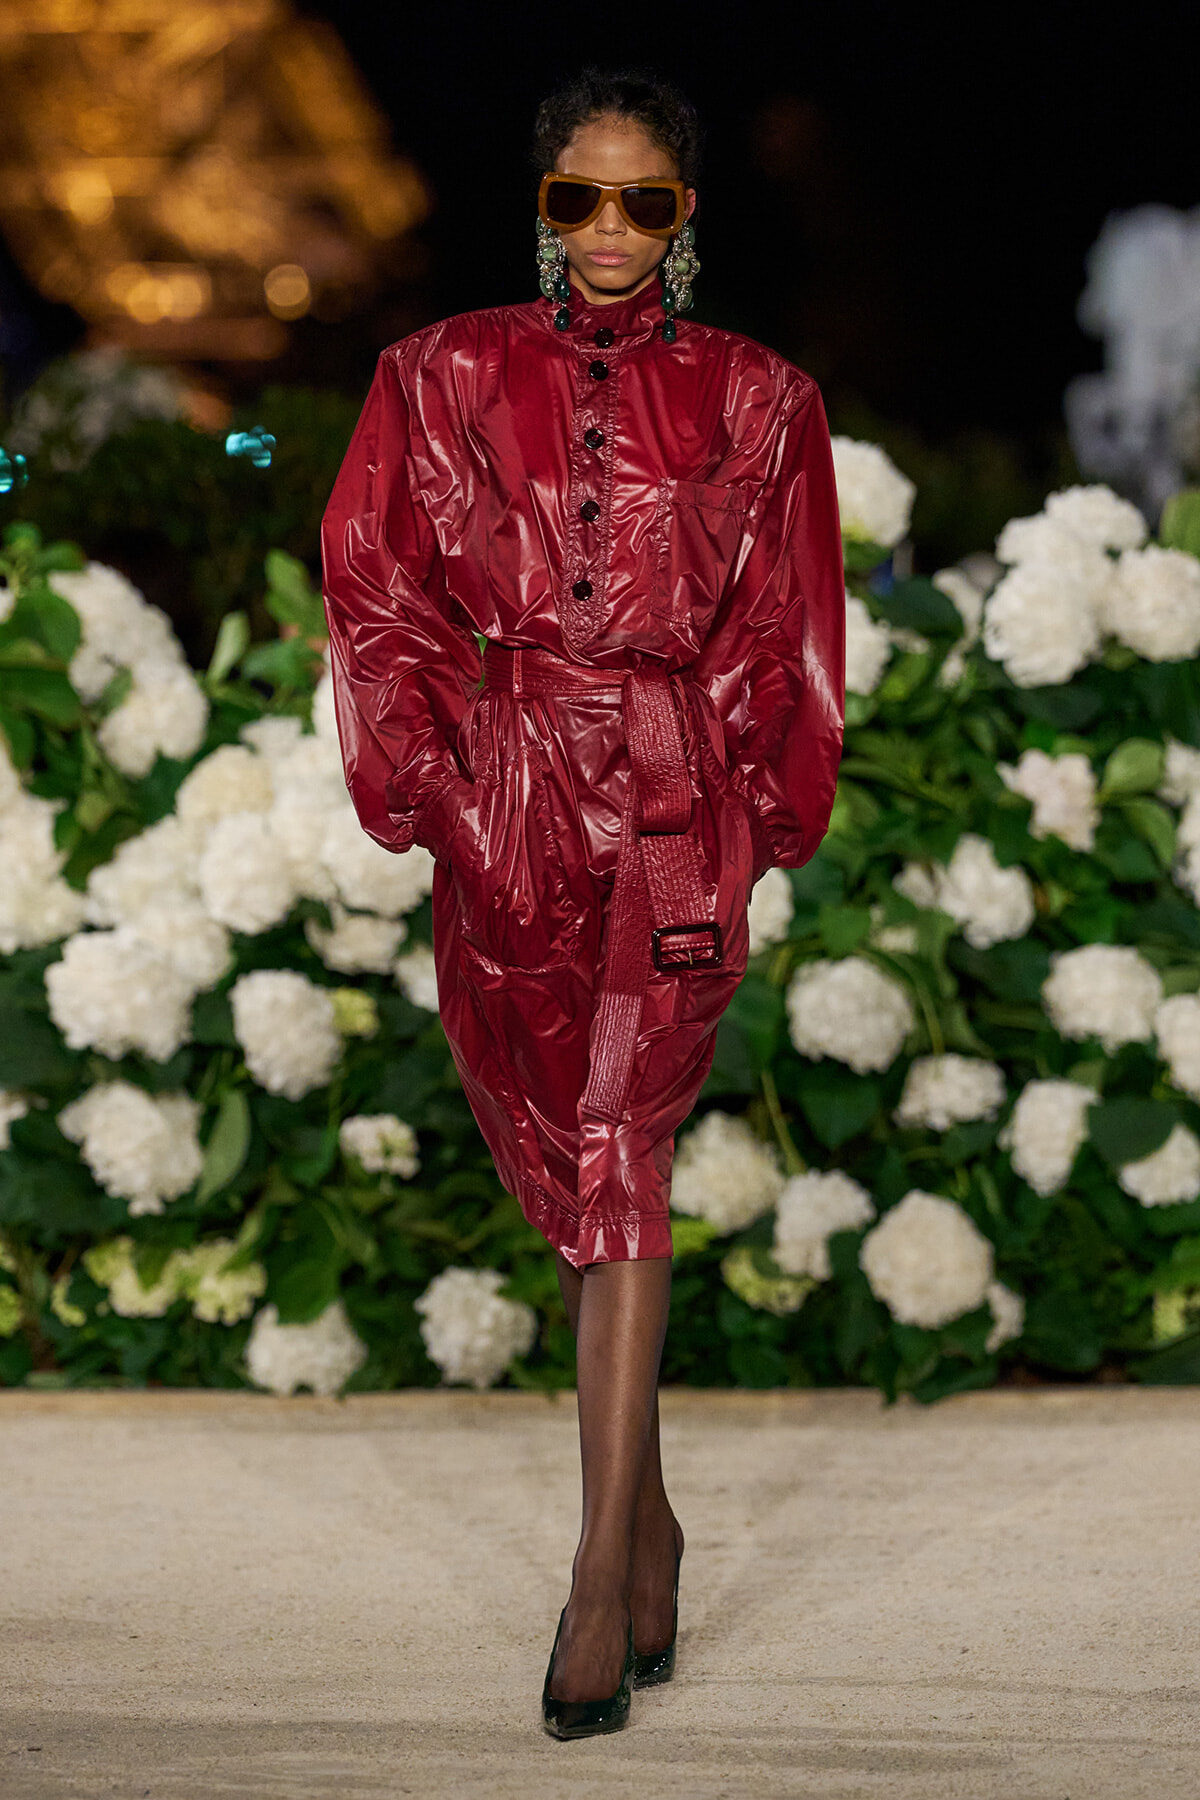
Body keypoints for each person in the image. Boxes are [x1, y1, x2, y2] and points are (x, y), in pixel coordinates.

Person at [321, 67, 845, 1738]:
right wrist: (433, 782)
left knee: (625, 1149)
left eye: (643, 201)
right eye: (577, 198)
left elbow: (794, 630)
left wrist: (758, 816)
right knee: (564, 1159)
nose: (609, 230)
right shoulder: (440, 372)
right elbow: (376, 579)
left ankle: (599, 1578)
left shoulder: (765, 400)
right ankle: (660, 1526)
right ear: (541, 204)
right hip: (513, 786)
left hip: (677, 790)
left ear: (686, 217)